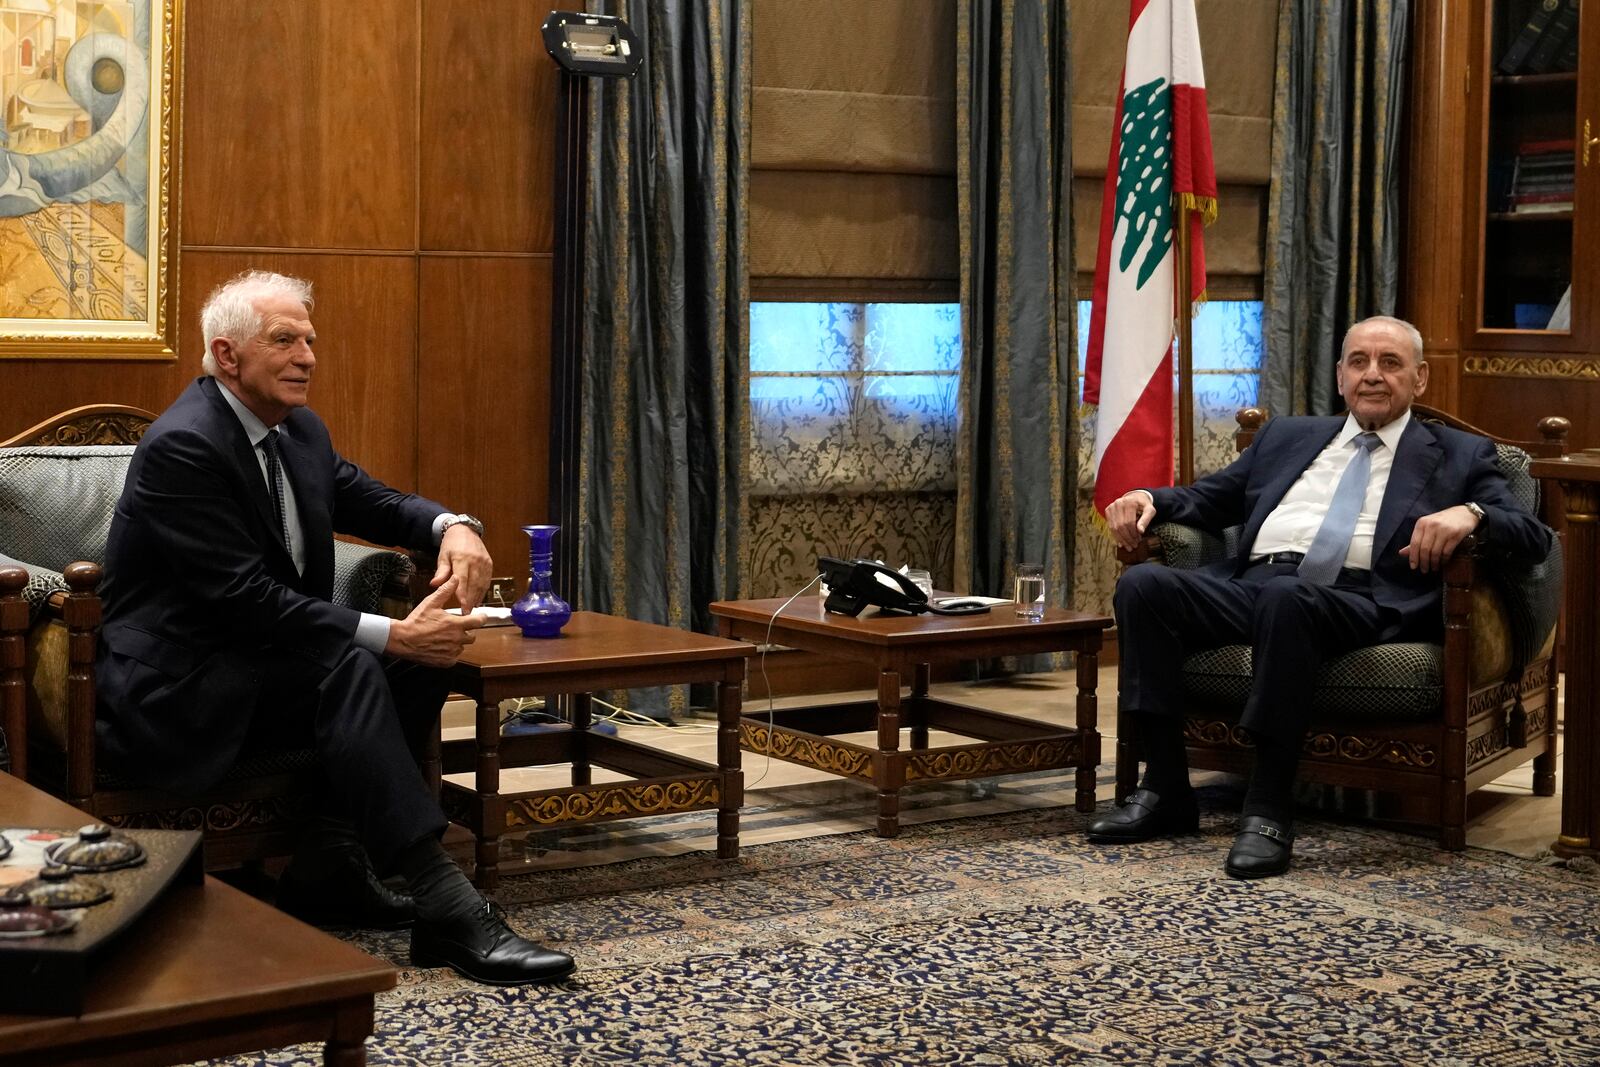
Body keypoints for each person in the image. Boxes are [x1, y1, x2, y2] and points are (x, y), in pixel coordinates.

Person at [96, 270, 574, 985]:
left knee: (424, 656)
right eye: (285, 340)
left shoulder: (297, 430)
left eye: (311, 339)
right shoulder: (184, 447)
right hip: (180, 687)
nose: (308, 356)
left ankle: (332, 862)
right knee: (357, 660)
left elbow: (373, 499)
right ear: (228, 356)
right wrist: (390, 633)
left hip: (265, 666)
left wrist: (455, 526)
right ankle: (444, 900)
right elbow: (245, 598)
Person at [1090, 315, 1551, 878]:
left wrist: (1472, 513)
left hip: (1362, 599)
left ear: (1421, 377)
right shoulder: (1287, 437)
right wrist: (1144, 497)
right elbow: (1208, 501)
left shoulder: (1463, 454)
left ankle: (1266, 809)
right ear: (1340, 375)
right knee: (1144, 585)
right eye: (1359, 362)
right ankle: (1164, 790)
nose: (1373, 376)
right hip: (1254, 585)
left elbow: (1534, 538)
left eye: (1390, 363)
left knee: (1290, 598)